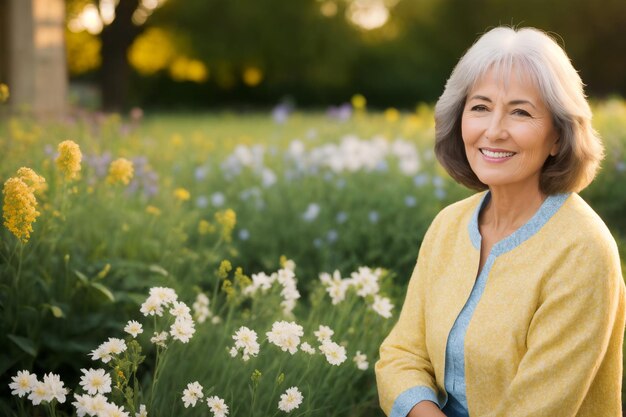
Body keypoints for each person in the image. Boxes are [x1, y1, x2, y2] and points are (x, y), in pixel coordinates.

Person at [375, 26, 626, 417]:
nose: (493, 131)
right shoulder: (448, 225)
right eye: (480, 107)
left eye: (520, 112)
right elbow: (400, 354)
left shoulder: (583, 249)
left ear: (558, 136)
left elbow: (539, 408)